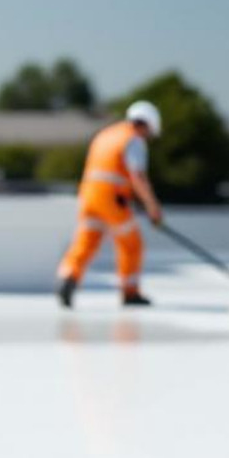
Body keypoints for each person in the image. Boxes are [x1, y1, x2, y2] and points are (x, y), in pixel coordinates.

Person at [56, 100, 164, 308]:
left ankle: (67, 277)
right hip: (111, 199)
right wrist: (152, 206)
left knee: (85, 242)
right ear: (147, 124)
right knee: (131, 244)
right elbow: (137, 176)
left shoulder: (106, 134)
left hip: (88, 196)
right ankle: (130, 292)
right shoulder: (133, 140)